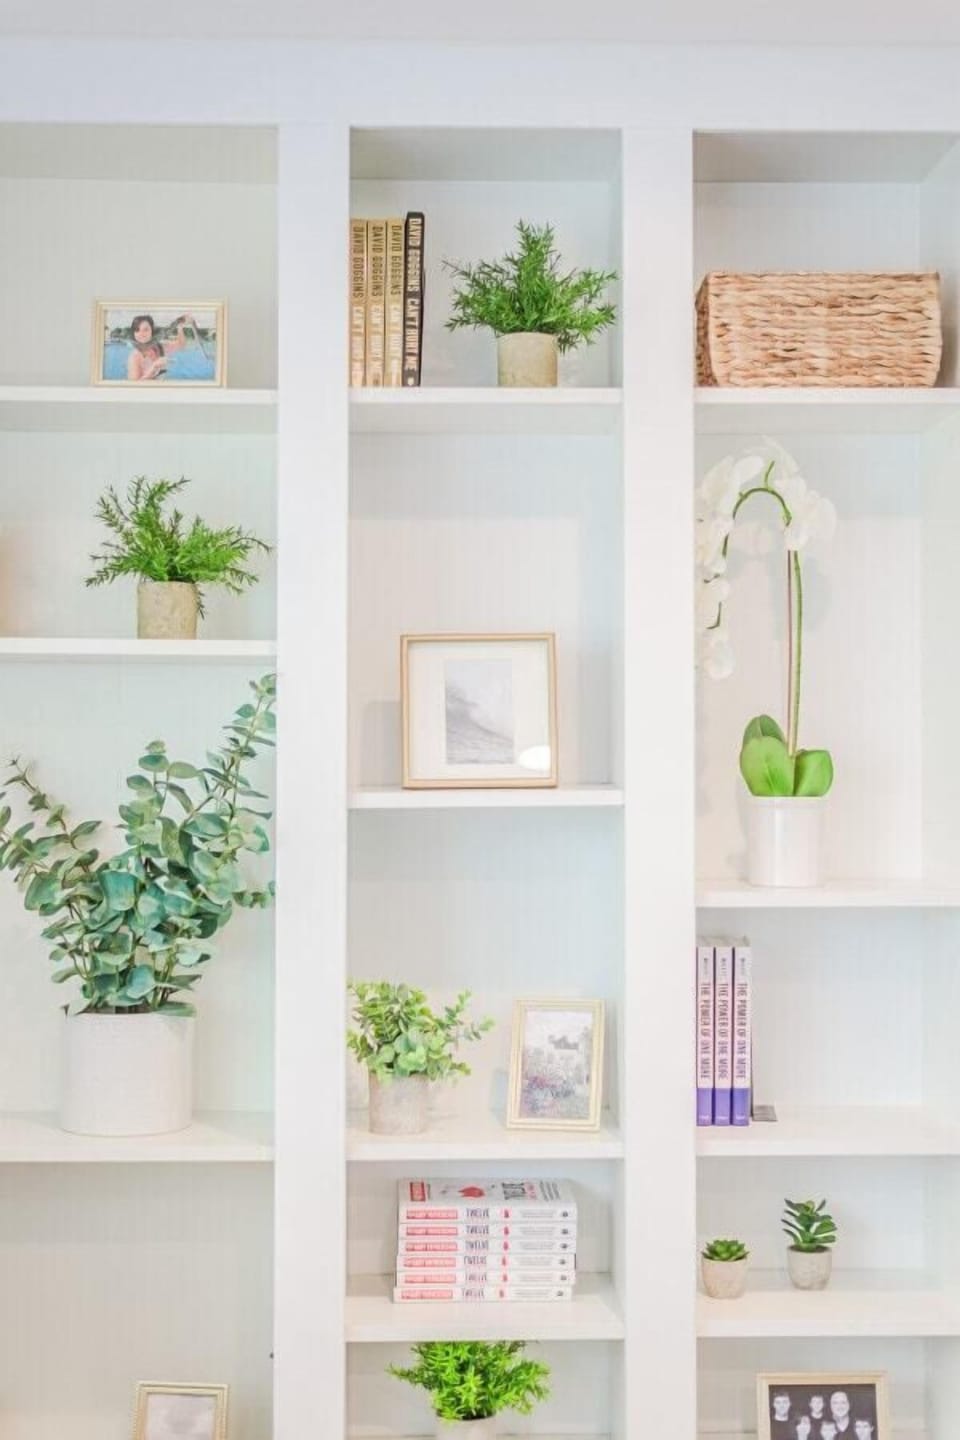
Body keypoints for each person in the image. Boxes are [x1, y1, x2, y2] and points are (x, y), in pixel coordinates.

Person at [125, 312, 198, 382]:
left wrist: (180, 327)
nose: (141, 334)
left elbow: (181, 345)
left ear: (152, 331)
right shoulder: (135, 357)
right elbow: (134, 387)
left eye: (145, 330)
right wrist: (154, 367)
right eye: (137, 330)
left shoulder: (161, 346)